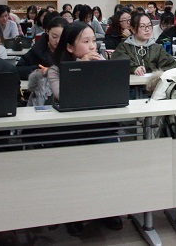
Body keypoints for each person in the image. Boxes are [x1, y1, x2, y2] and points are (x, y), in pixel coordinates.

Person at [46, 21, 123, 235]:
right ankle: (74, 213)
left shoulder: (102, 62)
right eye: (86, 41)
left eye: (94, 41)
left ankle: (107, 210)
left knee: (108, 167)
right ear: (69, 47)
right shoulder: (55, 70)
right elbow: (64, 96)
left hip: (101, 127)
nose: (92, 46)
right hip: (70, 130)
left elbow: (114, 90)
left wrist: (100, 67)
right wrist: (81, 66)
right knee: (75, 172)